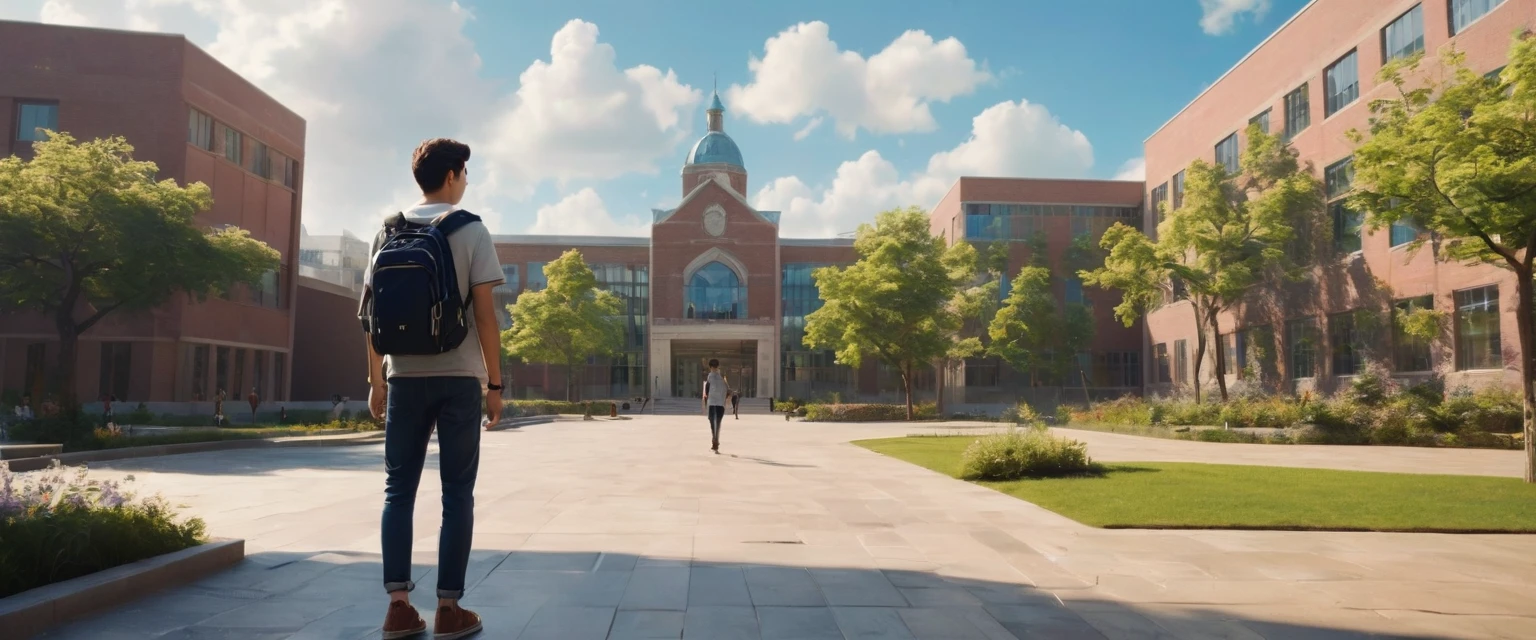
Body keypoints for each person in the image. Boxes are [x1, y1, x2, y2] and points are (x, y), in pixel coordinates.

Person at [368, 138, 502, 640]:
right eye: (464, 172)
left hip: (402, 376)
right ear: (453, 175)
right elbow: (486, 318)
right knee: (457, 495)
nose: (466, 180)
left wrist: (375, 380)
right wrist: (495, 383)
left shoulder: (387, 230)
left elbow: (369, 315)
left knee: (397, 491)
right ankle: (449, 609)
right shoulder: (471, 229)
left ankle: (398, 608)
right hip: (459, 378)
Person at [702, 359, 727, 453]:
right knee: (718, 423)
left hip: (712, 403)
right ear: (718, 366)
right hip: (720, 403)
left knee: (713, 422)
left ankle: (714, 440)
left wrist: (705, 402)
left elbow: (706, 391)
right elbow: (726, 389)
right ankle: (715, 440)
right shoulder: (722, 377)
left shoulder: (709, 377)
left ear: (710, 367)